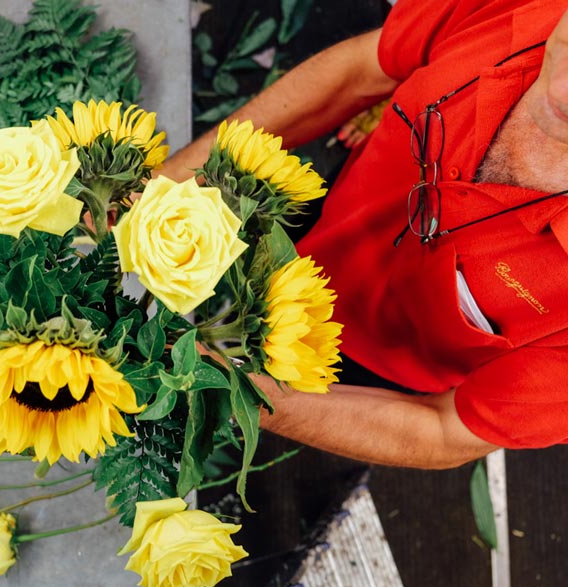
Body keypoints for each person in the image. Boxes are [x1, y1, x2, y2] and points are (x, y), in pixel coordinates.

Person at [162, 0, 568, 469]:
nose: (560, 90)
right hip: (326, 215)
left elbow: (441, 430)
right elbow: (364, 68)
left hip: (354, 378)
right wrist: (174, 180)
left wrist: (239, 390)